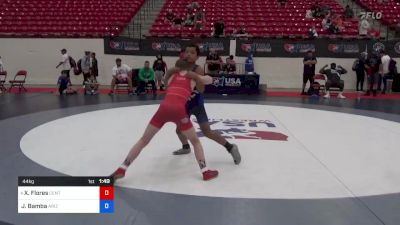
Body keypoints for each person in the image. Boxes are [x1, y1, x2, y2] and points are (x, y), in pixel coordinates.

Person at [111, 59, 219, 181]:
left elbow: (165, 80)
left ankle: (122, 168)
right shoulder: (193, 76)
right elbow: (209, 80)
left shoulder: (172, 76)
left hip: (164, 108)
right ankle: (205, 171)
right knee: (195, 142)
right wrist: (200, 76)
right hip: (179, 111)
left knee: (143, 140)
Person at [164, 43, 241, 164]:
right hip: (184, 105)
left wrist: (193, 79)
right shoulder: (179, 66)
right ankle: (186, 147)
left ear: (197, 57)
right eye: (187, 52)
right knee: (179, 131)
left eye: (192, 52)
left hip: (196, 104)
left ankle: (230, 147)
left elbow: (201, 89)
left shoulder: (197, 69)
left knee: (207, 132)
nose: (188, 54)